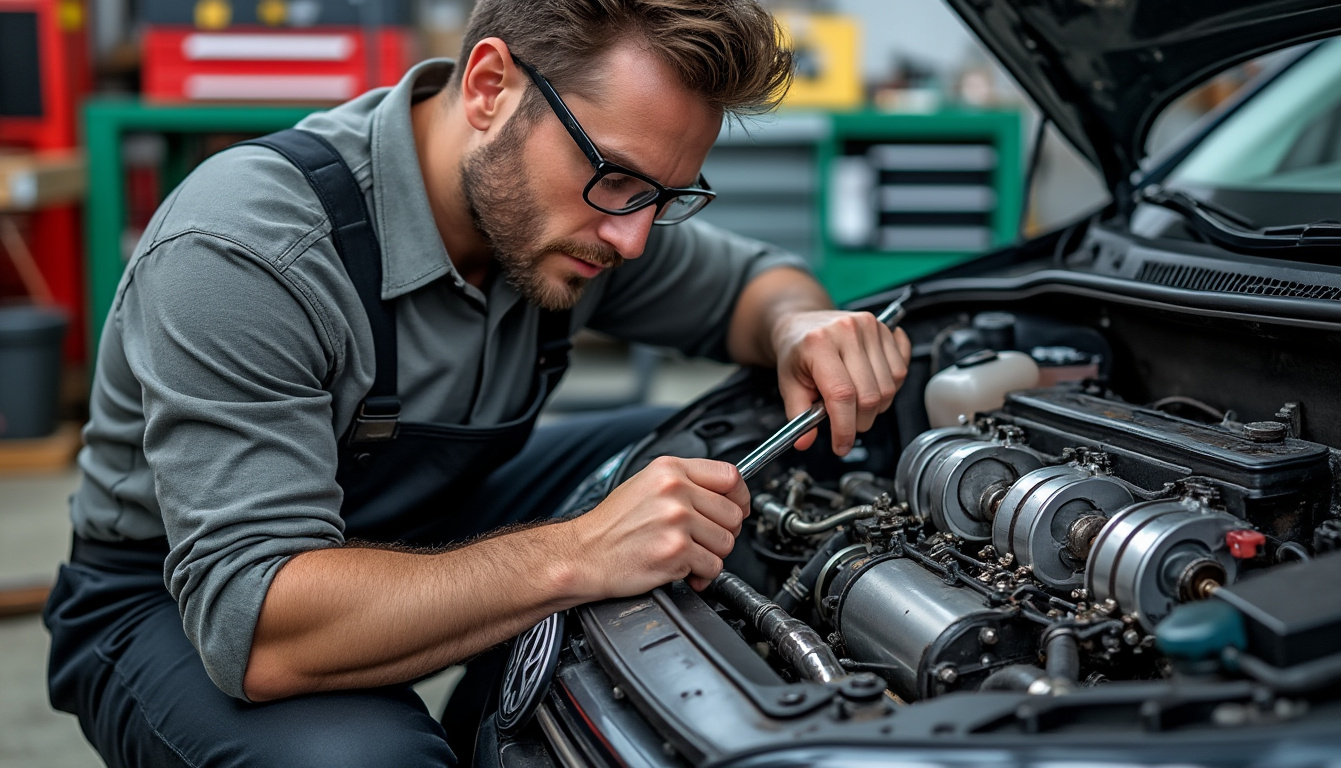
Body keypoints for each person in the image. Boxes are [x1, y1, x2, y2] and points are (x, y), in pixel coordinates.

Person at [45, 1, 912, 765]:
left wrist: (800, 326)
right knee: (365, 760)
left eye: (668, 198)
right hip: (178, 600)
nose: (635, 241)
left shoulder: (581, 215)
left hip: (413, 522)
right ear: (490, 85)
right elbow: (257, 628)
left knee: (713, 447)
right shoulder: (250, 247)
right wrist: (578, 555)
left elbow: (755, 286)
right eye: (615, 180)